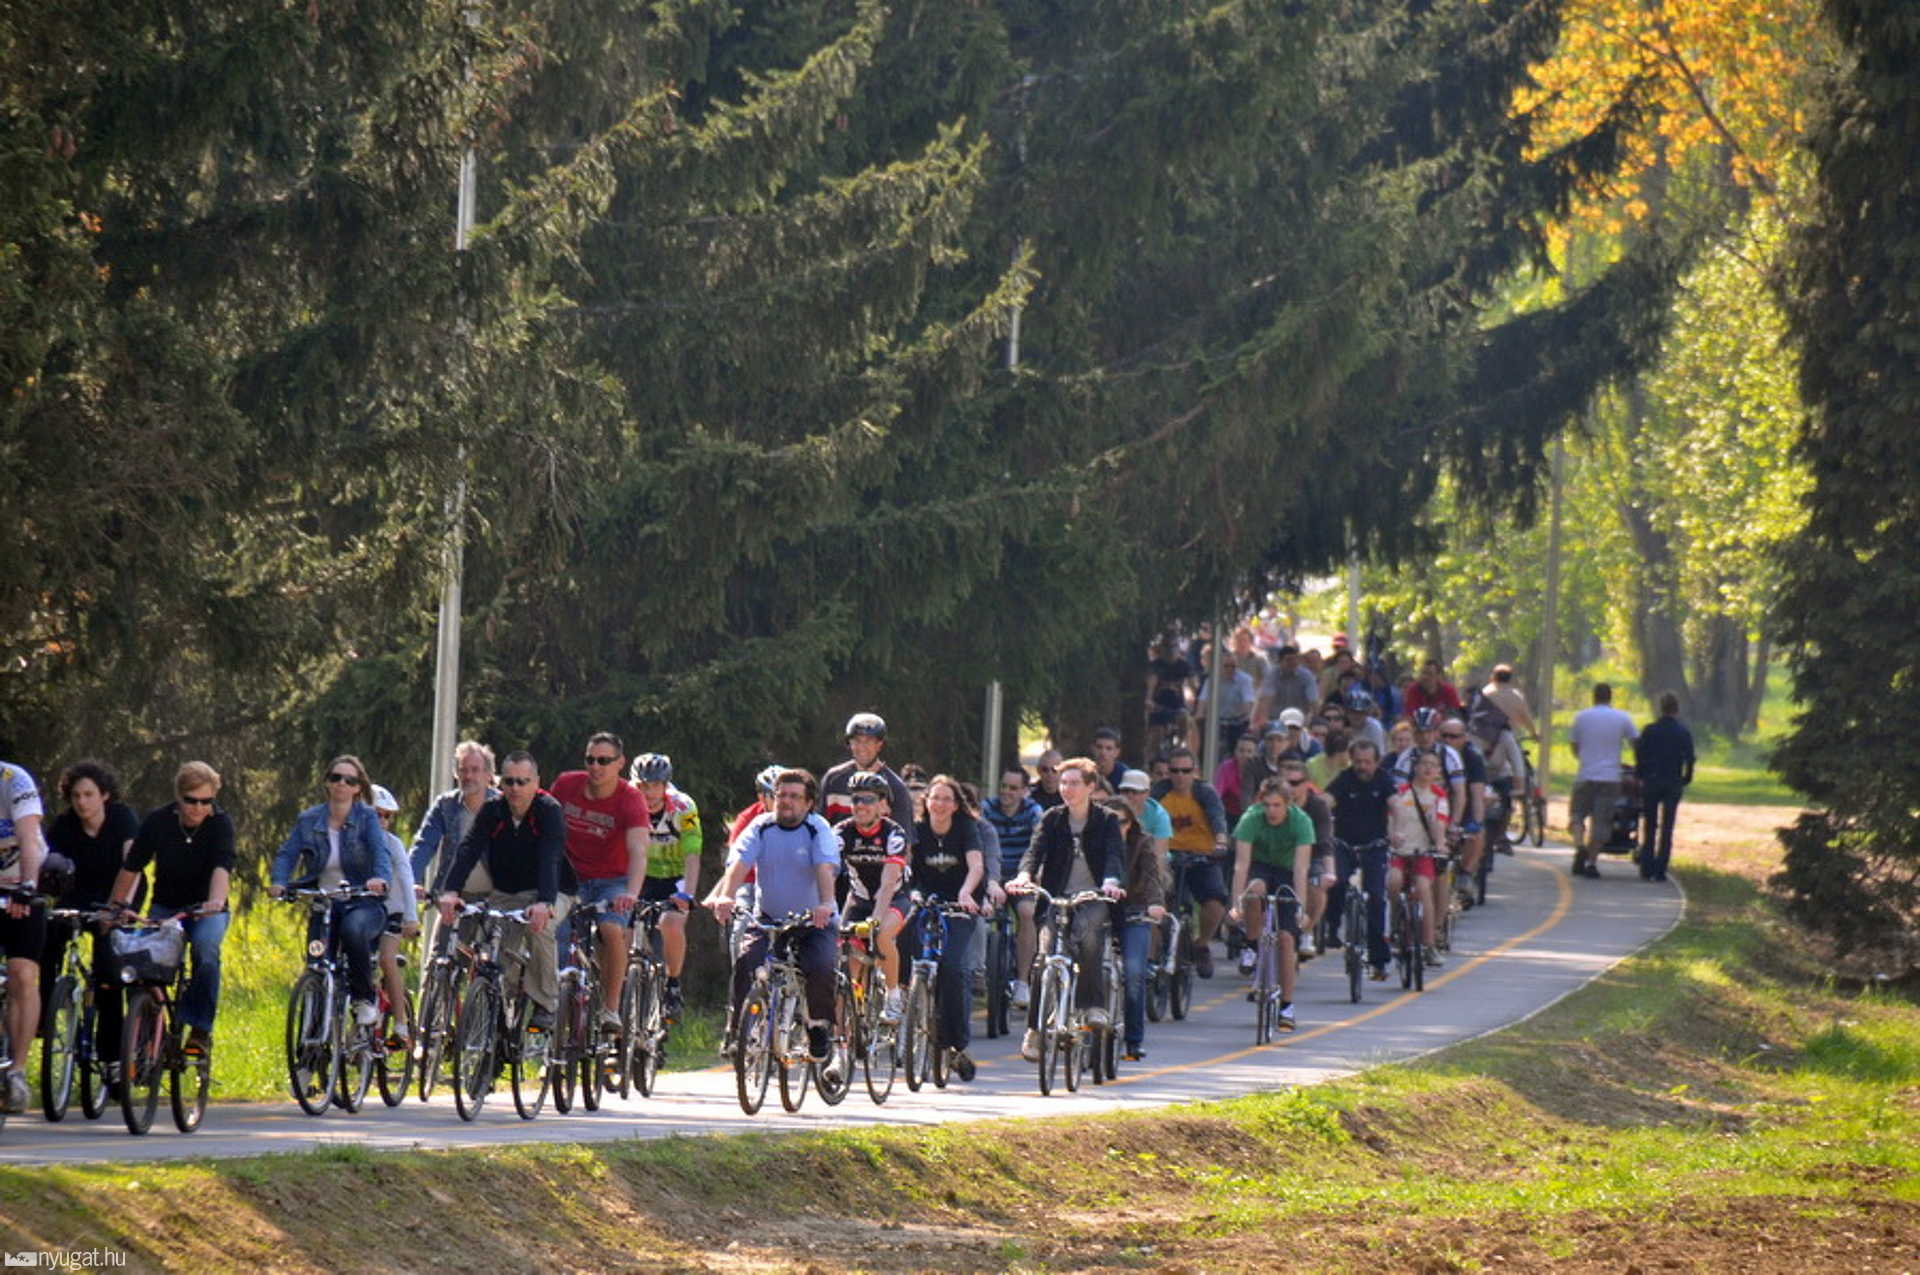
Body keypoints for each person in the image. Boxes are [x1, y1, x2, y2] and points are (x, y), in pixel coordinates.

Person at [708, 769, 840, 1062]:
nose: (786, 802)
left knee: (819, 966)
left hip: (813, 921)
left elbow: (824, 869)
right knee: (746, 961)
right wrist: (726, 895)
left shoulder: (818, 829)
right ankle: (738, 1030)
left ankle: (818, 1026)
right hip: (768, 918)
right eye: (781, 796)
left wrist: (826, 903)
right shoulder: (760, 827)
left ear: (808, 804)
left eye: (794, 797)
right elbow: (739, 865)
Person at [435, 751, 573, 1029]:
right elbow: (469, 848)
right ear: (500, 783)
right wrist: (450, 891)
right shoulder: (493, 810)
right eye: (509, 781)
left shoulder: (549, 810)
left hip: (553, 889)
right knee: (495, 950)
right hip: (507, 893)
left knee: (541, 928)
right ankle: (496, 1017)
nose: (516, 788)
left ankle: (546, 1002)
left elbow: (550, 857)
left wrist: (545, 902)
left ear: (536, 782)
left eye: (523, 782)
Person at [115, 761, 235, 1064]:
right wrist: (117, 906)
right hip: (166, 906)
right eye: (191, 800)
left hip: (206, 908)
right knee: (143, 962)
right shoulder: (158, 821)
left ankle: (199, 1030)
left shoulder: (221, 824)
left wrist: (216, 902)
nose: (198, 808)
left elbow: (223, 866)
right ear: (178, 798)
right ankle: (145, 1033)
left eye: (206, 801)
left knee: (206, 951)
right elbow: (132, 866)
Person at [1010, 757, 1125, 1062]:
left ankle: (1092, 1006)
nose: (1067, 789)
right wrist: (1024, 876)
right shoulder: (1052, 818)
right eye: (1063, 783)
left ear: (1091, 787)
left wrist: (1111, 881)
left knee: (1089, 938)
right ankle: (1034, 1031)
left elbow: (1115, 855)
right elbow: (1034, 853)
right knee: (1044, 958)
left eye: (1074, 783)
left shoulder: (1107, 820)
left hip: (1093, 897)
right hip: (1056, 897)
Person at [269, 756, 392, 1029]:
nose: (341, 784)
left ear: (358, 787)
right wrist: (279, 881)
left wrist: (379, 878)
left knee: (352, 930)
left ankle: (363, 999)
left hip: (361, 902)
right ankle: (306, 1056)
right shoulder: (308, 819)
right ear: (327, 782)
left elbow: (380, 853)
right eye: (336, 777)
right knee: (316, 963)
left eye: (349, 780)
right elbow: (287, 854)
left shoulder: (367, 818)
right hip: (324, 902)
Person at [40, 761, 140, 1094]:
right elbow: (47, 862)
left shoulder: (122, 819)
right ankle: (44, 1011)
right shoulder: (65, 826)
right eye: (76, 796)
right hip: (77, 897)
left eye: (89, 795)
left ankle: (112, 1061)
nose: (82, 802)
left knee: (108, 974)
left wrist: (119, 908)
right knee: (46, 942)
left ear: (104, 795)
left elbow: (133, 864)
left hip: (118, 896)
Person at [549, 732, 649, 1031]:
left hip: (612, 881)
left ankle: (610, 1008)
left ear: (620, 763)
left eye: (604, 761)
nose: (596, 767)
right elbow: (544, 828)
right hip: (569, 879)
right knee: (554, 933)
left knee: (610, 928)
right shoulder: (566, 785)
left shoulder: (630, 799)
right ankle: (555, 1017)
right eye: (590, 760)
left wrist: (631, 893)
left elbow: (638, 850)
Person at [907, 776, 985, 1080]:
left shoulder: (967, 829)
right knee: (911, 955)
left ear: (956, 805)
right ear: (925, 801)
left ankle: (957, 1044)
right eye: (934, 798)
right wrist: (912, 891)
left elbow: (976, 866)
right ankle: (906, 1010)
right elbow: (907, 866)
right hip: (925, 901)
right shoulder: (918, 830)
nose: (939, 804)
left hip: (960, 905)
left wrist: (967, 893)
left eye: (946, 799)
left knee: (953, 968)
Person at [1227, 777, 1312, 1031]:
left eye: (1277, 805)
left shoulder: (1301, 822)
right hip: (1260, 867)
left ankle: (1287, 1005)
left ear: (1288, 804)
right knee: (1255, 890)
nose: (1271, 811)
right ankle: (1252, 944)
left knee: (1286, 939)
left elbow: (1301, 868)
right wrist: (1237, 904)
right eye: (1267, 805)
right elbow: (1241, 866)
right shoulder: (1251, 818)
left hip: (1286, 870)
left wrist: (1301, 907)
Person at [627, 753, 701, 1021]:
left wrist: (687, 894)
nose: (648, 792)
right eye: (642, 785)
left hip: (674, 876)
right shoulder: (625, 802)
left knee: (671, 923)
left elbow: (693, 853)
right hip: (639, 875)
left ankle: (672, 983)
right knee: (617, 928)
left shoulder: (683, 807)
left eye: (654, 785)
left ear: (665, 784)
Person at [833, 770, 909, 1021]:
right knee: (844, 970)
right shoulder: (842, 833)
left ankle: (893, 995)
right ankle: (845, 1044)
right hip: (858, 900)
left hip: (893, 899)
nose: (860, 806)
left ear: (882, 804)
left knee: (884, 933)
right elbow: (825, 870)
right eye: (855, 800)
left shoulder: (893, 833)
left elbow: (888, 883)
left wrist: (875, 921)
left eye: (868, 799)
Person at [1148, 746, 1230, 977]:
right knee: (1157, 900)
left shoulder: (1205, 792)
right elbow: (1146, 819)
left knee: (1215, 901)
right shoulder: (1160, 792)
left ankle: (1201, 944)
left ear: (1195, 771)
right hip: (1168, 855)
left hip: (1203, 856)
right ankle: (1153, 955)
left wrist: (1221, 842)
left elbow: (1217, 818)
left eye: (1186, 771)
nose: (1180, 776)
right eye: (1174, 771)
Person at [0, 757, 49, 1112]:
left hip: (21, 883)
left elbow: (29, 838)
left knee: (22, 973)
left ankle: (17, 1069)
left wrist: (28, 887)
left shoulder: (13, 780)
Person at [1327, 740, 1397, 981]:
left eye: (1367, 762)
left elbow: (1395, 805)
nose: (1362, 767)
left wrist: (1397, 830)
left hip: (1374, 846)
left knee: (1376, 896)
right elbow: (1328, 798)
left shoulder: (1384, 780)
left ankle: (1379, 960)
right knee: (1336, 881)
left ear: (1376, 762)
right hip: (1344, 844)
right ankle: (1331, 927)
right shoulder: (1344, 779)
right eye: (1358, 762)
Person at [1103, 798, 1167, 1062]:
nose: (1118, 827)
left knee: (1134, 973)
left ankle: (1133, 1040)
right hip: (1100, 912)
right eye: (1112, 821)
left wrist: (1154, 904)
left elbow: (1153, 877)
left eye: (1123, 821)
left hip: (1134, 912)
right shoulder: (1095, 842)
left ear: (1132, 823)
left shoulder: (1142, 843)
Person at [410, 740, 499, 898]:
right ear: (456, 774)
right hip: (452, 897)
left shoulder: (503, 807)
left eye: (475, 770)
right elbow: (424, 845)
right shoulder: (445, 805)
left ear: (488, 774)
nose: (468, 776)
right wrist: (411, 881)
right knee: (443, 924)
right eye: (463, 770)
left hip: (496, 898)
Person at [1568, 684, 1639, 879]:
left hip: (1585, 775)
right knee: (1601, 822)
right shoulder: (1622, 718)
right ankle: (1591, 862)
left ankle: (1579, 846)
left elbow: (1574, 746)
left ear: (1593, 697)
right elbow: (1635, 741)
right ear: (1610, 697)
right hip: (1610, 777)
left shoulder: (1581, 717)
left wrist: (1585, 758)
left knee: (1577, 815)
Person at [1387, 749, 1449, 966]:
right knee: (1393, 880)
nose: (1428, 768)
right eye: (1424, 763)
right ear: (1415, 767)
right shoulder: (1401, 792)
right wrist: (1393, 836)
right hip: (1400, 852)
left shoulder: (1439, 796)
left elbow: (1440, 824)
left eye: (1433, 765)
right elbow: (1391, 819)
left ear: (1439, 771)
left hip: (1423, 852)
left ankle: (1429, 945)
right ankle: (1394, 924)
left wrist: (1440, 843)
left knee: (1423, 888)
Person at [367, 784, 419, 1044]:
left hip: (392, 911)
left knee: (388, 960)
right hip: (365, 911)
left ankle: (400, 1024)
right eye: (378, 813)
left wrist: (411, 917)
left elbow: (407, 878)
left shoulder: (393, 845)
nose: (383, 821)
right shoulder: (353, 840)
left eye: (388, 816)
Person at [1277, 754, 1336, 960]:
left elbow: (1325, 843)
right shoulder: (1271, 804)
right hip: (1277, 856)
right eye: (1285, 783)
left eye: (1295, 783)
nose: (1290, 788)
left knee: (1318, 885)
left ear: (1306, 784)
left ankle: (1307, 931)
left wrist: (1330, 872)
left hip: (1311, 855)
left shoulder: (1318, 806)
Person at [1634, 692, 1695, 883]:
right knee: (1668, 826)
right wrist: (1686, 777)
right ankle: (1661, 868)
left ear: (1661, 708)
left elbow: (1640, 753)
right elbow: (1690, 758)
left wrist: (1641, 773)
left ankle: (1647, 865)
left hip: (1652, 780)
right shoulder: (1682, 732)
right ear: (1676, 710)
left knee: (1650, 824)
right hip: (1672, 781)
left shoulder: (1650, 730)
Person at [820, 713, 914, 830]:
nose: (862, 746)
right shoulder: (833, 779)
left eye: (869, 741)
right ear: (849, 744)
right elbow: (821, 829)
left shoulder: (896, 787)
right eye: (857, 741)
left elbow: (904, 841)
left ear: (879, 744)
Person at [1438, 717, 1489, 908]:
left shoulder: (1472, 758)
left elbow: (1476, 794)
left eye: (1454, 736)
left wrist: (1476, 822)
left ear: (1464, 738)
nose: (1448, 740)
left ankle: (1466, 873)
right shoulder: (1434, 755)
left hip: (1465, 808)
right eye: (1444, 736)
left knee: (1477, 835)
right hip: (1437, 810)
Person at [1390, 708, 1470, 821]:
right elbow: (1399, 794)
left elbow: (1459, 793)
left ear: (1436, 732)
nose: (1425, 737)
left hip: (1444, 811)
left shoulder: (1449, 755)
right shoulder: (1405, 757)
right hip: (1413, 813)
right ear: (1414, 732)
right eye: (1420, 732)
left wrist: (1454, 823)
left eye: (1429, 731)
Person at [1194, 646, 1256, 760]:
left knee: (1239, 750)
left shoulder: (1245, 680)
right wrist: (1199, 715)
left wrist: (1248, 717)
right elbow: (1203, 700)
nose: (1230, 669)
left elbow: (1248, 701)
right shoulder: (1212, 679)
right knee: (1204, 746)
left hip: (1238, 721)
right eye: (1226, 666)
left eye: (1233, 666)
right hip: (1217, 721)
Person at [1253, 645, 1319, 733]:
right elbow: (1266, 700)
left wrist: (1316, 720)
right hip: (1276, 719)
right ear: (1280, 662)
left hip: (1299, 719)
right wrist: (1263, 722)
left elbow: (1313, 700)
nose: (1293, 663)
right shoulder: (1272, 675)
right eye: (1288, 660)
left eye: (1295, 659)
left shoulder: (1306, 676)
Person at [1145, 639, 1192, 757]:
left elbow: (1191, 684)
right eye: (1167, 647)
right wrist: (1149, 699)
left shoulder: (1184, 665)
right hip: (1158, 705)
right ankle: (1150, 760)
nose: (1170, 651)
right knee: (1156, 735)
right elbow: (1152, 683)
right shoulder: (1156, 665)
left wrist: (1193, 697)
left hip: (1178, 705)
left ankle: (1182, 745)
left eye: (1173, 647)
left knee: (1185, 718)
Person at [1115, 769, 1172, 856]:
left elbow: (1160, 853)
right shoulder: (1111, 811)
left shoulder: (1159, 815)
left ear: (1147, 793)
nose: (1129, 796)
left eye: (1135, 792)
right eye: (1125, 791)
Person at [1213, 733, 1263, 822]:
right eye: (1241, 750)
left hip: (1256, 815)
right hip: (1229, 816)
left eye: (1249, 751)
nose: (1245, 755)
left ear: (1256, 754)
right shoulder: (1226, 768)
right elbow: (1217, 795)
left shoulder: (1260, 769)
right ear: (1235, 752)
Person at [1089, 727, 1129, 793]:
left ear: (1117, 752)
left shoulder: (1125, 775)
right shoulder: (1084, 771)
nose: (1103, 752)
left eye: (1109, 748)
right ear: (1092, 748)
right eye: (1099, 747)